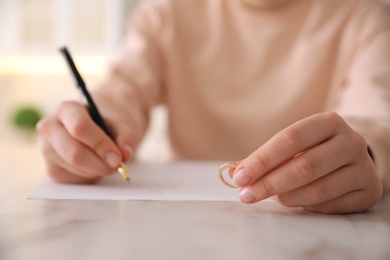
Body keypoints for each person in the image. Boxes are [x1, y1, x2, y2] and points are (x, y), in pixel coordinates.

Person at [37, 0, 390, 214]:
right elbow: (123, 89)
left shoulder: (368, 19)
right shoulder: (166, 13)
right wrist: (93, 131)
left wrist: (367, 153)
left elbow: (377, 117)